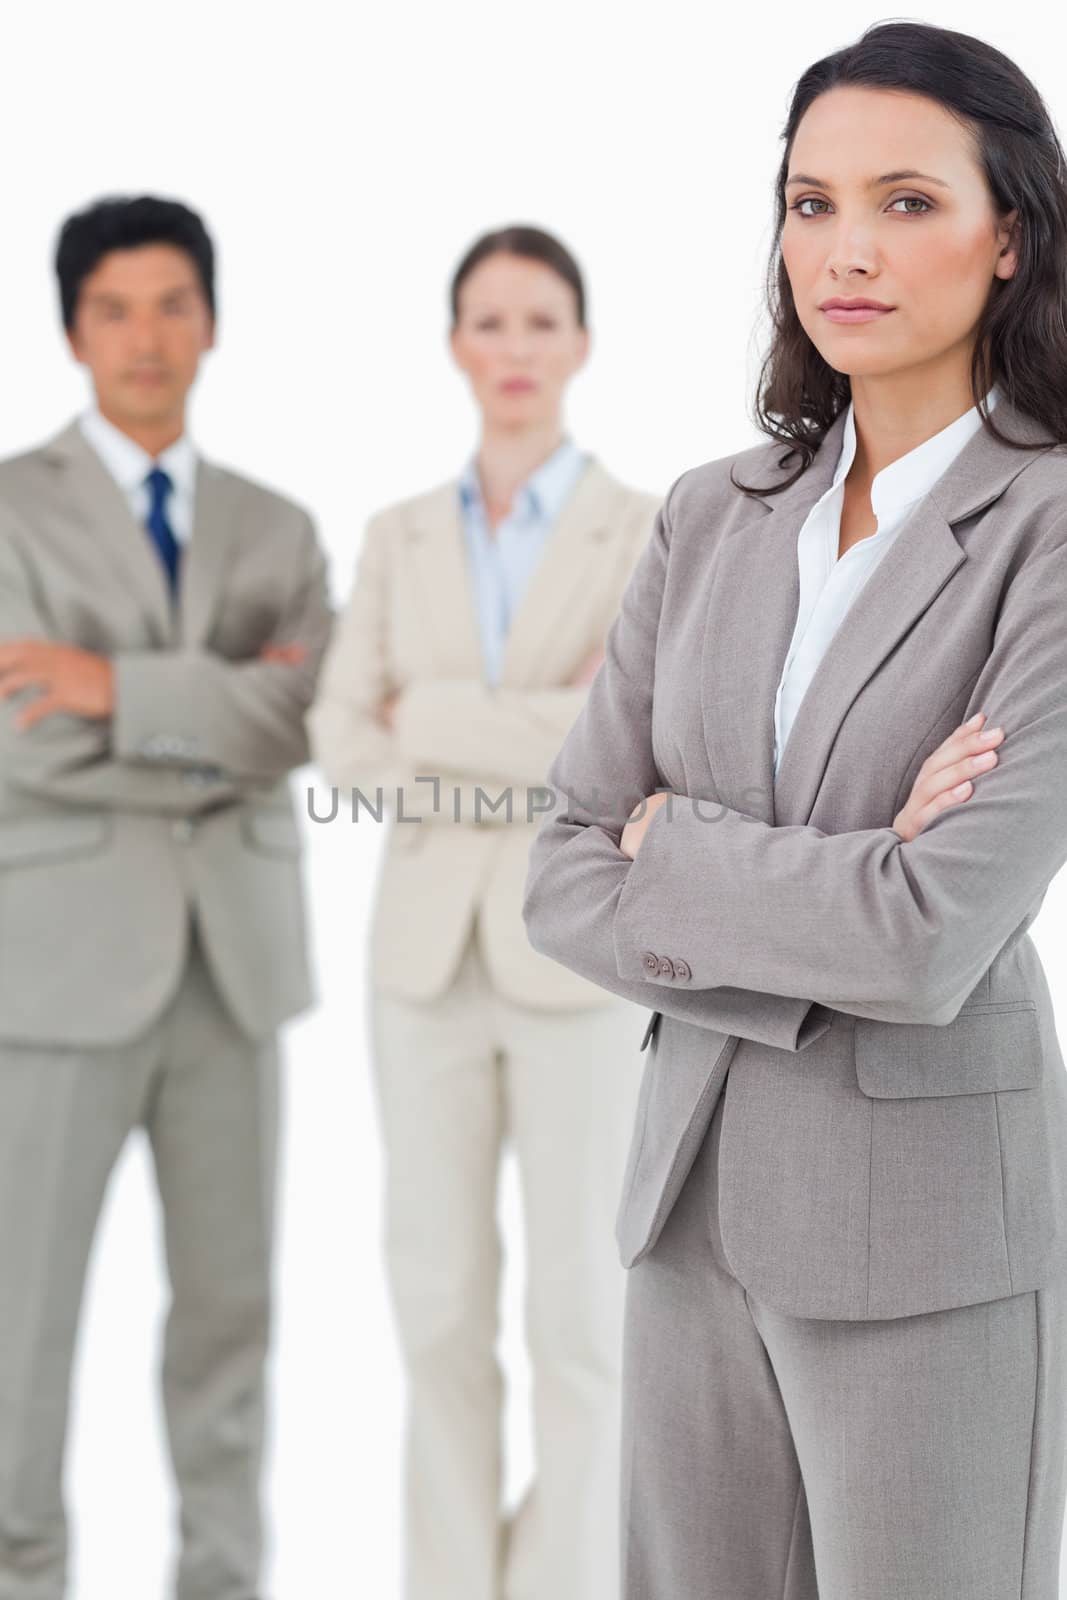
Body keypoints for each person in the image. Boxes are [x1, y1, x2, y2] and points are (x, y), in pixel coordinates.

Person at [522, 21, 1067, 1600]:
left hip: (927, 1243)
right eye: (810, 203)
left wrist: (673, 852)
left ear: (1010, 232)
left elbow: (927, 938)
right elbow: (562, 872)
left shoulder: (1046, 523)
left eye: (905, 202)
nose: (848, 249)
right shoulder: (714, 512)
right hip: (685, 1213)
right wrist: (844, 872)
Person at [308, 224, 660, 1600]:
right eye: (489, 322)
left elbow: (631, 751)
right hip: (420, 964)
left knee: (580, 1316)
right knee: (436, 1312)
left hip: (575, 962)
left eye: (540, 321)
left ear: (581, 342)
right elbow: (342, 738)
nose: (514, 349)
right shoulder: (398, 534)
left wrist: (439, 719)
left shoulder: (648, 529)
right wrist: (534, 740)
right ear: (456, 345)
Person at [0, 194, 332, 1599]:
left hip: (236, 972)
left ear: (211, 321)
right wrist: (218, 714)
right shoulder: (10, 509)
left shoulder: (278, 522)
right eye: (115, 309)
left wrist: (111, 685)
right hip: (58, 966)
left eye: (172, 304)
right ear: (72, 328)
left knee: (229, 1320)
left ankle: (223, 1582)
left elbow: (299, 721)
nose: (147, 337)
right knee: (21, 1327)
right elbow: (29, 737)